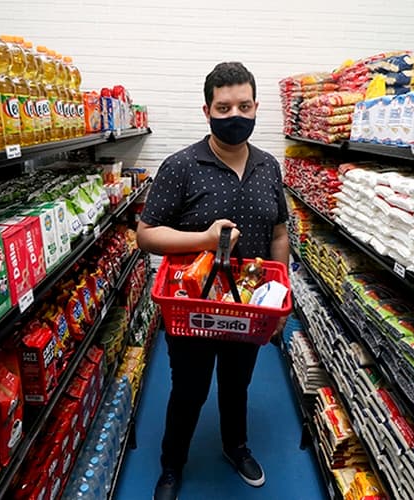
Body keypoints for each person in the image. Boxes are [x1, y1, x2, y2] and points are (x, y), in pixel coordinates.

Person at [137, 62, 290, 500]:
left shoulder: (268, 167)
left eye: (244, 105)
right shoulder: (181, 166)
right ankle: (172, 464)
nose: (234, 115)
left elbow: (279, 232)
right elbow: (146, 234)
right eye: (224, 107)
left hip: (251, 305)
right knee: (188, 388)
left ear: (256, 106)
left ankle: (234, 445)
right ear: (207, 110)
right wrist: (203, 239)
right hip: (194, 305)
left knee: (237, 383)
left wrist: (283, 297)